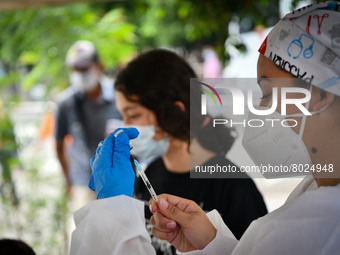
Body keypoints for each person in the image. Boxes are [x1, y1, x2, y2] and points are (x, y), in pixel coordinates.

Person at [71, 2, 340, 255]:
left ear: (318, 96)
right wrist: (212, 243)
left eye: (268, 92)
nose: (261, 107)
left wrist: (109, 213)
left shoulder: (316, 223)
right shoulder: (313, 193)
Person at [113, 49, 267, 254]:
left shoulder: (234, 187)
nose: (124, 127)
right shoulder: (149, 175)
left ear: (175, 111)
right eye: (122, 115)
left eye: (133, 115)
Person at [54, 40, 121, 210]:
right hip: (84, 181)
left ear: (99, 66)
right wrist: (68, 181)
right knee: (87, 232)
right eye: (76, 69)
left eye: (84, 69)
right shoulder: (66, 103)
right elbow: (58, 145)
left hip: (118, 179)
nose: (80, 73)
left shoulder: (119, 96)